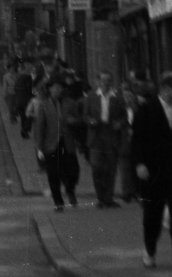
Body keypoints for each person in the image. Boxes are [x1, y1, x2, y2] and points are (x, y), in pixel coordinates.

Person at [131, 70, 172, 272]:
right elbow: (137, 140)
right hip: (153, 171)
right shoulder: (146, 110)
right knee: (153, 216)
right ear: (167, 89)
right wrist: (140, 164)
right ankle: (150, 251)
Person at [34, 78, 80, 210]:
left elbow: (79, 120)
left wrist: (74, 121)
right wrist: (39, 147)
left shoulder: (70, 103)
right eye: (54, 87)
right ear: (49, 89)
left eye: (59, 88)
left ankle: (70, 189)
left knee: (73, 171)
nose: (57, 90)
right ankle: (58, 202)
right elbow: (40, 127)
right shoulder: (44, 105)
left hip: (67, 143)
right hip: (51, 143)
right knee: (53, 174)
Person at [84, 71, 125, 208]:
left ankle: (108, 198)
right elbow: (85, 115)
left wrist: (119, 123)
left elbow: (124, 117)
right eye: (103, 80)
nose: (106, 83)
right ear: (98, 82)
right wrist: (90, 121)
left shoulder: (117, 98)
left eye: (108, 80)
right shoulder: (91, 97)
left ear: (111, 82)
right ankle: (100, 197)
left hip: (111, 134)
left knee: (111, 168)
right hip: (96, 134)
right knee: (96, 167)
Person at [117, 85, 139, 203]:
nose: (128, 98)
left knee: (135, 167)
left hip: (136, 142)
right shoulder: (120, 109)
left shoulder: (138, 109)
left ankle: (135, 191)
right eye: (126, 96)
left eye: (130, 96)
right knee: (125, 169)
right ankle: (126, 192)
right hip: (124, 141)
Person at [13, 62, 35, 139]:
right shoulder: (28, 78)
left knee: (23, 118)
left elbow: (15, 88)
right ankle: (25, 130)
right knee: (29, 116)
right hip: (26, 101)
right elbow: (30, 90)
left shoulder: (19, 78)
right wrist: (34, 96)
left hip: (19, 101)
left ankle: (24, 132)